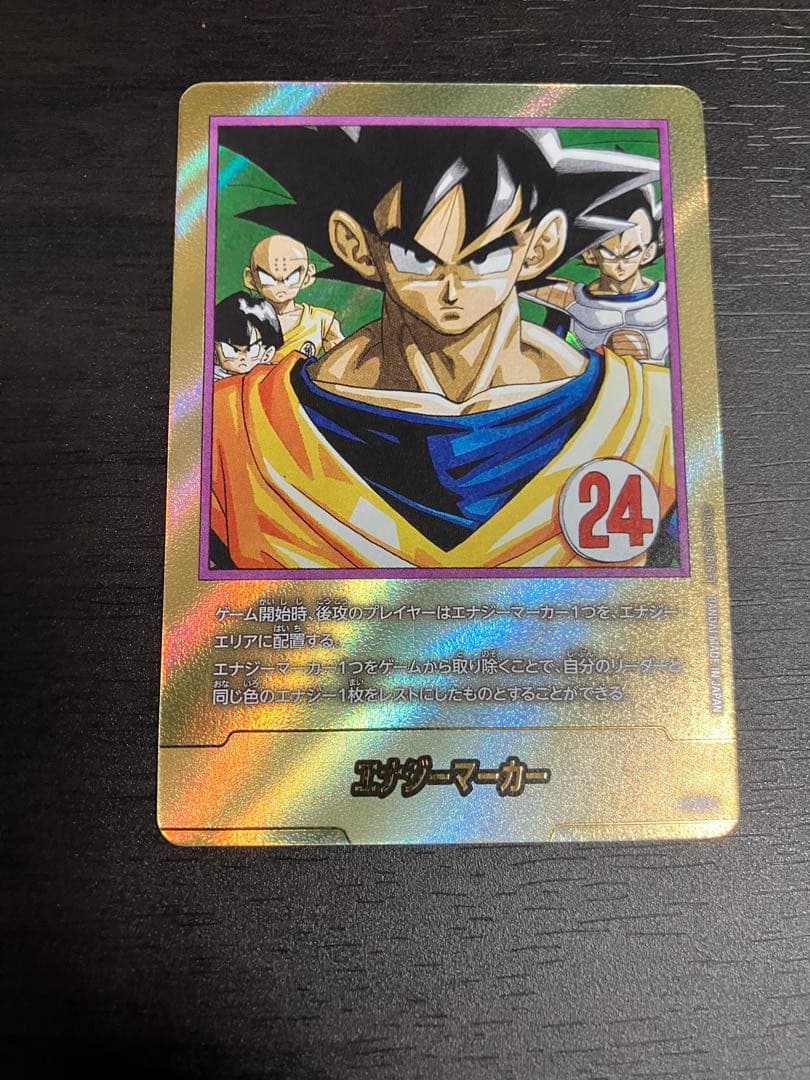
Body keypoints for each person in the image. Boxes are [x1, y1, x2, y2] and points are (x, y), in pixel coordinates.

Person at [210, 124, 676, 569]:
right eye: (416, 257)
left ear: (540, 247)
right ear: (355, 246)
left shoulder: (646, 417)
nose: (452, 288)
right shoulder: (244, 426)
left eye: (486, 255)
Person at [525, 185, 668, 363]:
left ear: (648, 252)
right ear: (590, 254)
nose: (621, 263)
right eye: (609, 254)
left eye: (632, 253)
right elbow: (516, 282)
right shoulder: (569, 299)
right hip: (596, 377)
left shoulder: (668, 298)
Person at [242, 234, 343, 360]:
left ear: (308, 276)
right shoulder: (244, 320)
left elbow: (343, 359)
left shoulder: (321, 321)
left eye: (292, 278)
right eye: (267, 278)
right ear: (250, 279)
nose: (280, 286)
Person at [213, 292, 283, 380]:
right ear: (215, 352)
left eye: (252, 350)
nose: (242, 357)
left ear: (267, 354)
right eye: (231, 350)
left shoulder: (273, 378)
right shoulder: (209, 380)